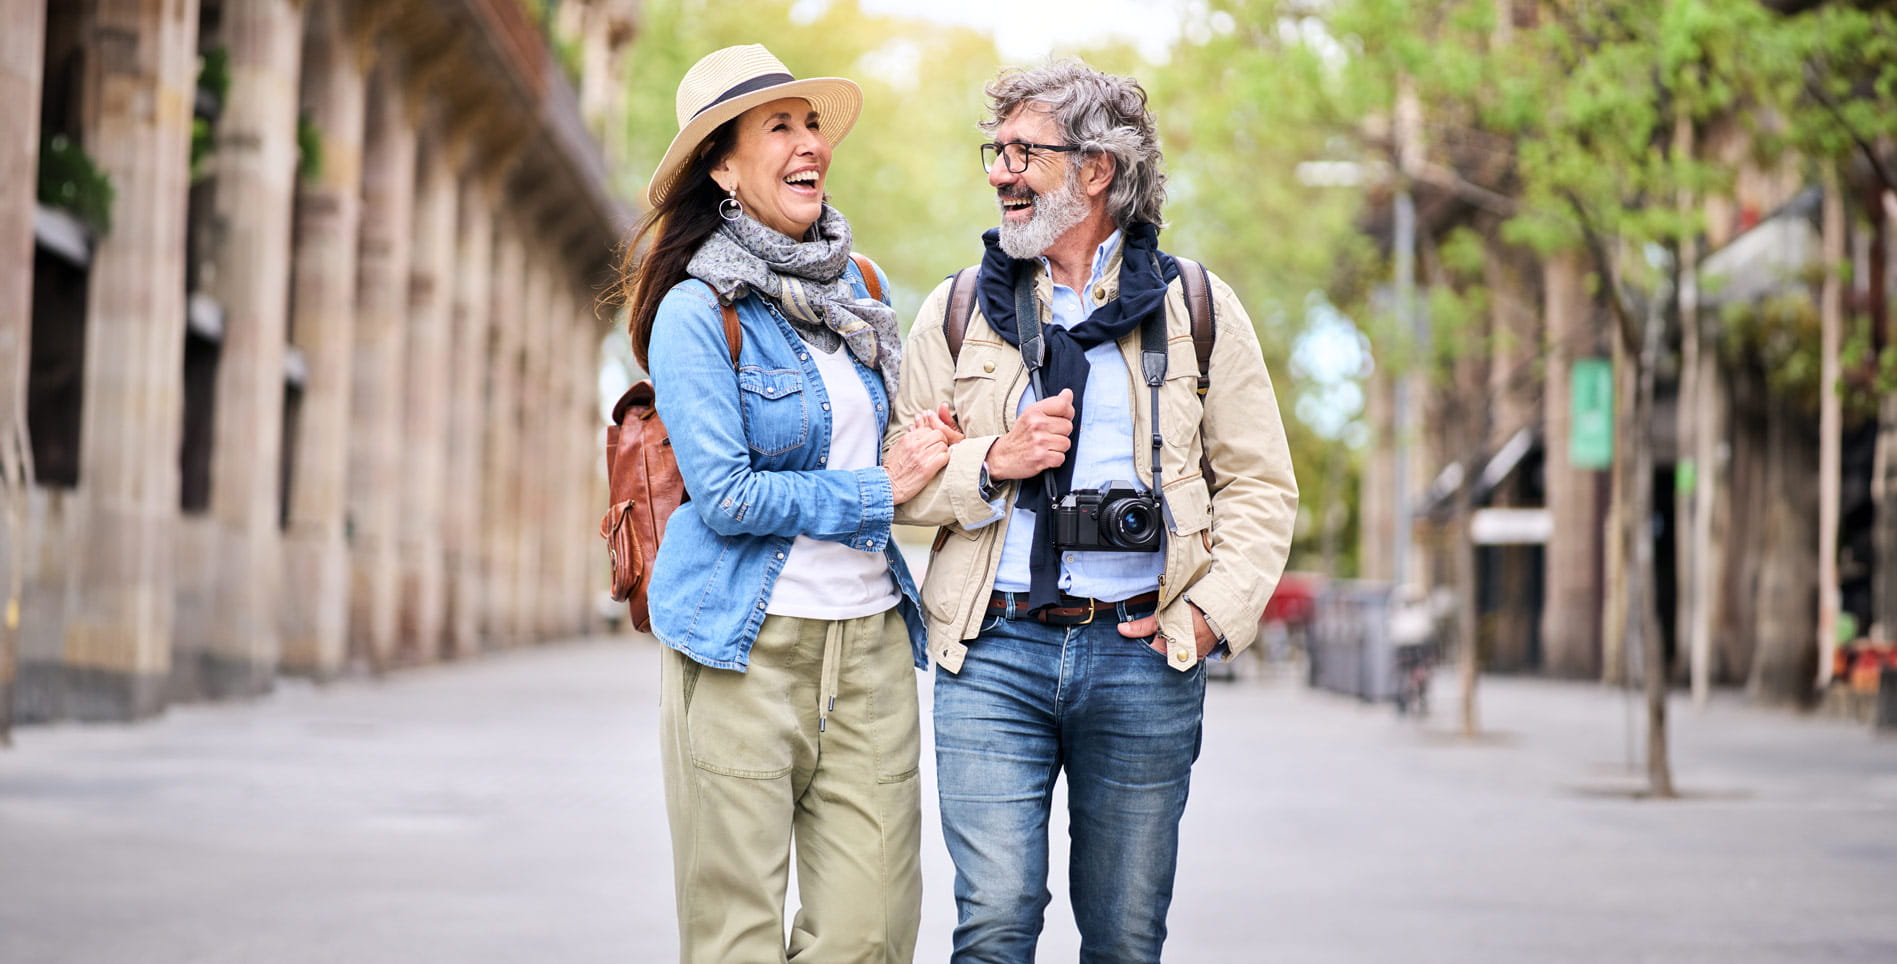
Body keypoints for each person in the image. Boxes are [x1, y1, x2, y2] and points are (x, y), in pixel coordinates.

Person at [888, 60, 1299, 961]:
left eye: (1022, 151)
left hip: (1144, 657)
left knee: (1123, 937)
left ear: (1097, 171)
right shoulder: (957, 309)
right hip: (991, 649)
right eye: (993, 150)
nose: (999, 170)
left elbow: (1262, 486)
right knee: (994, 920)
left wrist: (1205, 615)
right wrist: (993, 463)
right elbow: (900, 490)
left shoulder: (1196, 307)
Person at [615, 44, 947, 963]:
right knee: (737, 939)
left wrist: (942, 450)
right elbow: (723, 494)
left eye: (811, 125)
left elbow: (892, 453)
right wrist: (881, 486)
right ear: (721, 167)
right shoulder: (696, 309)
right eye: (779, 127)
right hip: (741, 649)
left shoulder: (864, 291)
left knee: (870, 934)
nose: (809, 144)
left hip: (872, 646)